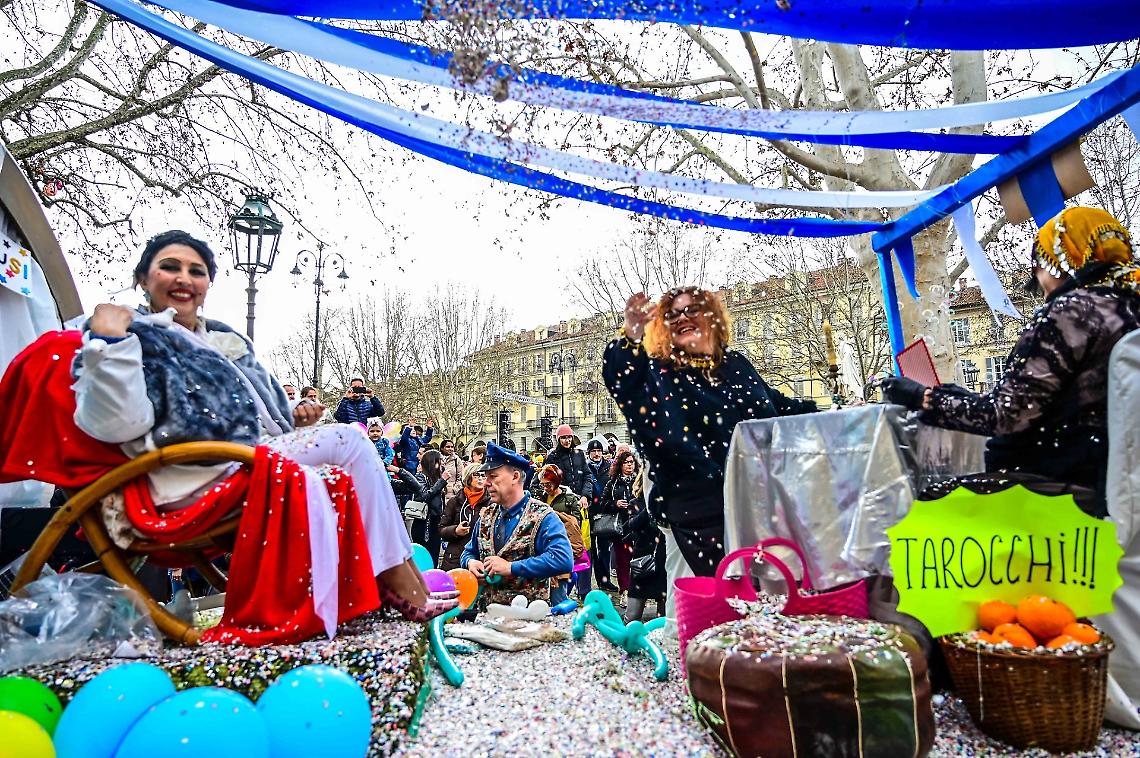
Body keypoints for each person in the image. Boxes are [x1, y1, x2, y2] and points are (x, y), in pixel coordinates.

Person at [73, 230, 453, 623]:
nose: (184, 278)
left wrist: (294, 416)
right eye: (170, 267)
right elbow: (115, 423)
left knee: (351, 439)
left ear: (208, 284)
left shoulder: (222, 337)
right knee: (350, 440)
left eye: (196, 270)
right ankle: (398, 582)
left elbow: (255, 412)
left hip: (246, 457)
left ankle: (400, 579)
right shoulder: (135, 333)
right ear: (143, 278)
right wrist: (109, 341)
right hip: (190, 471)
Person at [882, 207, 1140, 517]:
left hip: (1057, 494)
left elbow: (1004, 416)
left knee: (911, 504)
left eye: (1039, 266)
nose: (1040, 281)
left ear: (1058, 262)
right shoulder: (1129, 309)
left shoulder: (1072, 313)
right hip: (1116, 489)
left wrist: (921, 397)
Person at [603, 286, 817, 577]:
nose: (681, 318)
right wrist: (631, 336)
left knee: (761, 607)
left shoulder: (736, 365)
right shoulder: (658, 372)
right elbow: (622, 380)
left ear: (711, 317)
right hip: (693, 514)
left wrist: (837, 415)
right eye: (672, 314)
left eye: (691, 310)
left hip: (755, 506)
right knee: (699, 613)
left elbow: (778, 409)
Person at [460, 443, 573, 606]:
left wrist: (512, 567)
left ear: (515, 477)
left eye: (493, 476)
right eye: (486, 476)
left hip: (528, 621)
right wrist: (470, 562)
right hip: (486, 619)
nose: (486, 483)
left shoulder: (543, 516)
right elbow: (469, 551)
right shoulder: (486, 515)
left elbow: (563, 559)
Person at [391, 448, 449, 568]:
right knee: (426, 560)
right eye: (440, 460)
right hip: (425, 526)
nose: (443, 463)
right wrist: (442, 481)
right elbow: (425, 496)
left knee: (434, 558)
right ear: (433, 462)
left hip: (435, 524)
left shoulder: (436, 478)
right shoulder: (422, 477)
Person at [622, 469, 666, 623]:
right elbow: (631, 525)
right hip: (642, 561)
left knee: (664, 617)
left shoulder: (667, 504)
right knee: (632, 616)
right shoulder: (636, 503)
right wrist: (649, 507)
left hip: (662, 560)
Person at [600, 450, 640, 598]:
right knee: (623, 561)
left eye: (631, 462)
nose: (629, 465)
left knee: (638, 559)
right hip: (621, 528)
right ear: (620, 465)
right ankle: (625, 589)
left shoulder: (639, 481)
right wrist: (615, 504)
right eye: (626, 462)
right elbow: (602, 503)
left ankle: (637, 590)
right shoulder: (613, 483)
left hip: (638, 526)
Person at [439, 464, 491, 571]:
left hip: (480, 559)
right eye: (476, 475)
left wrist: (486, 518)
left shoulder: (492, 502)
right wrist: (455, 531)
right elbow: (441, 529)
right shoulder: (455, 501)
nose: (481, 479)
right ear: (468, 478)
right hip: (455, 558)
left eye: (483, 475)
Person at [545, 424, 595, 506]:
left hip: (580, 500)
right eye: (563, 437)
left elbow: (587, 476)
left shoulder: (579, 454)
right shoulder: (553, 457)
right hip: (560, 501)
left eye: (569, 437)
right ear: (559, 439)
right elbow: (547, 480)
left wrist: (585, 495)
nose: (567, 440)